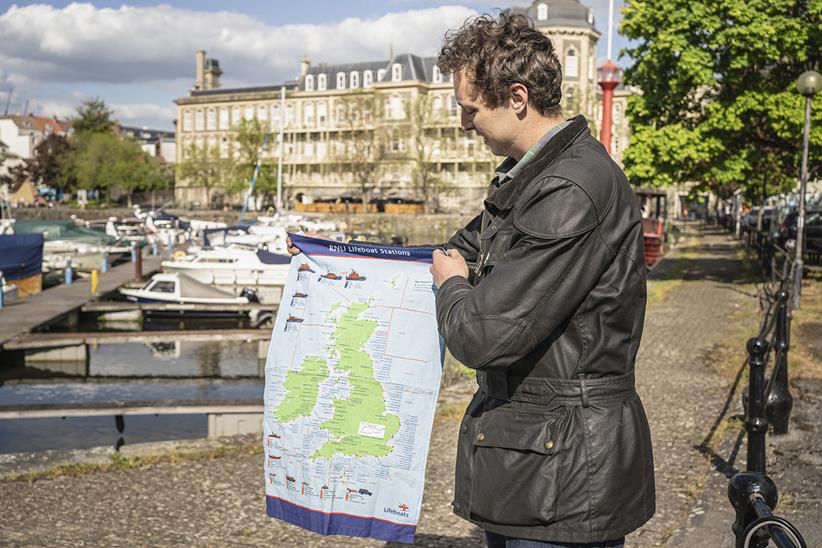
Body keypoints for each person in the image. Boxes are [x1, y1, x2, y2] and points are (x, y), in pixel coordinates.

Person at [287, 12, 654, 547]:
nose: (464, 123)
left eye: (470, 109)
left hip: (563, 478)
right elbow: (449, 253)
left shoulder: (569, 190)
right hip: (537, 462)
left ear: (518, 97)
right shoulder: (536, 177)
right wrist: (329, 260)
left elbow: (483, 336)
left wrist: (455, 286)